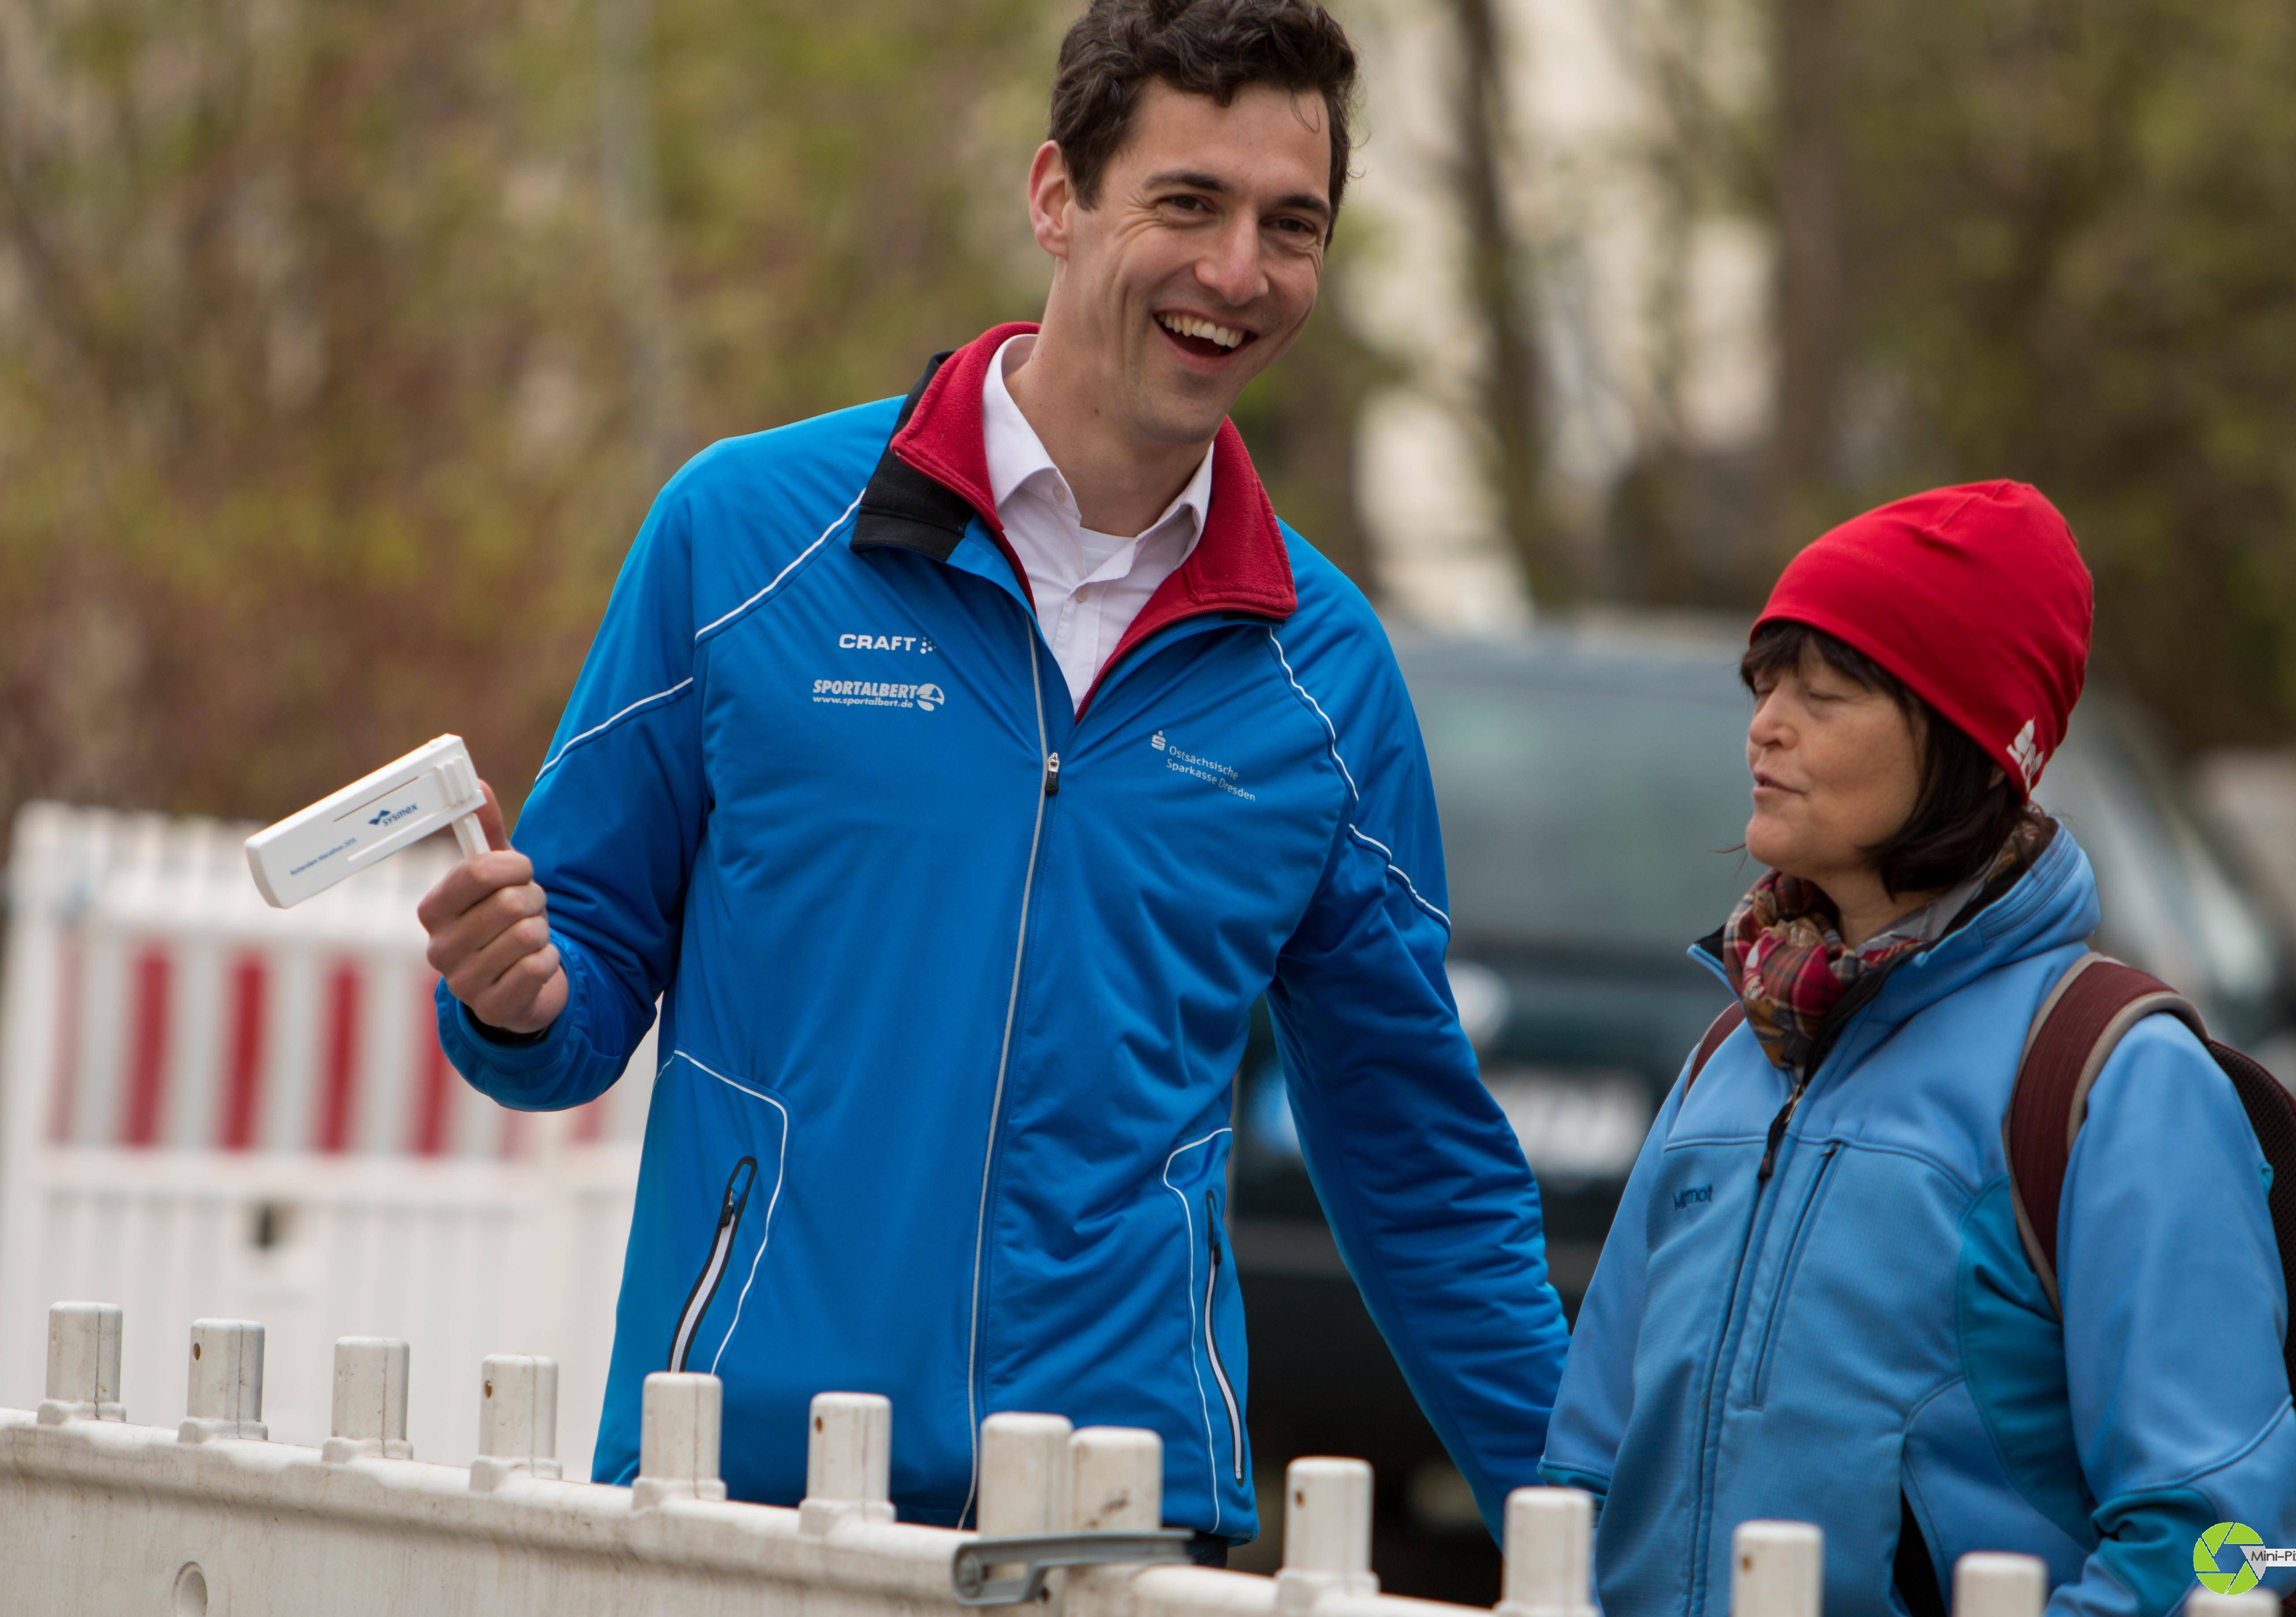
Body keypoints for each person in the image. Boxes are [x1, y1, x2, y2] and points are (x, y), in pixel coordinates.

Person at [417, 0, 1568, 1555]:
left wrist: (1599, 1542)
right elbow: (577, 987)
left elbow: (1418, 1163)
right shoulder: (746, 537)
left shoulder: (1327, 672)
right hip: (744, 1487)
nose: (1239, 272)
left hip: (1120, 1517)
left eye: (1290, 225)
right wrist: (513, 1001)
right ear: (1056, 197)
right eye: (1187, 202)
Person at [1539, 482, 2296, 1614]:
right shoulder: (1733, 1054)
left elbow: (2228, 1544)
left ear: (1974, 747)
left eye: (1825, 693)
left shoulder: (2115, 1079)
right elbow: (1584, 1476)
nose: (1766, 725)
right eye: (1764, 684)